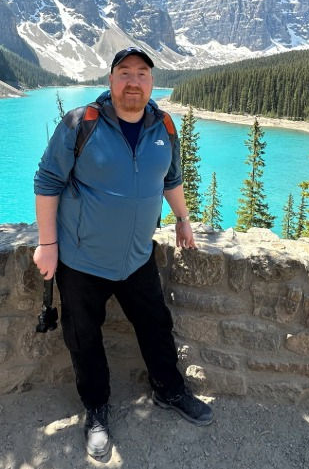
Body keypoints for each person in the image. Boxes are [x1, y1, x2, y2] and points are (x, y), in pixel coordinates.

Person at [33, 46, 213, 459]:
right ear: (110, 80)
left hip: (137, 256)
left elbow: (172, 177)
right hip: (81, 260)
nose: (133, 81)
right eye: (125, 72)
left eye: (142, 73)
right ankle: (96, 409)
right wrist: (47, 244)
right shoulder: (82, 123)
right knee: (83, 338)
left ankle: (169, 390)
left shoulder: (164, 126)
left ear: (152, 81)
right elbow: (47, 182)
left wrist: (183, 218)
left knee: (155, 325)